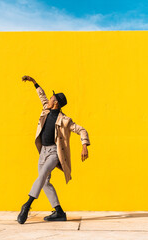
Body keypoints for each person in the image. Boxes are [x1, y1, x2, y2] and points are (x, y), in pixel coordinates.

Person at [17, 75, 91, 224]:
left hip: (54, 153)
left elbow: (82, 130)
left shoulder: (65, 120)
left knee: (43, 174)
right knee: (44, 182)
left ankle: (27, 205)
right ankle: (59, 212)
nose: (48, 101)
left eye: (51, 99)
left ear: (55, 103)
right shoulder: (46, 110)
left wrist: (84, 145)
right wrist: (35, 83)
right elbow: (42, 97)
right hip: (42, 152)